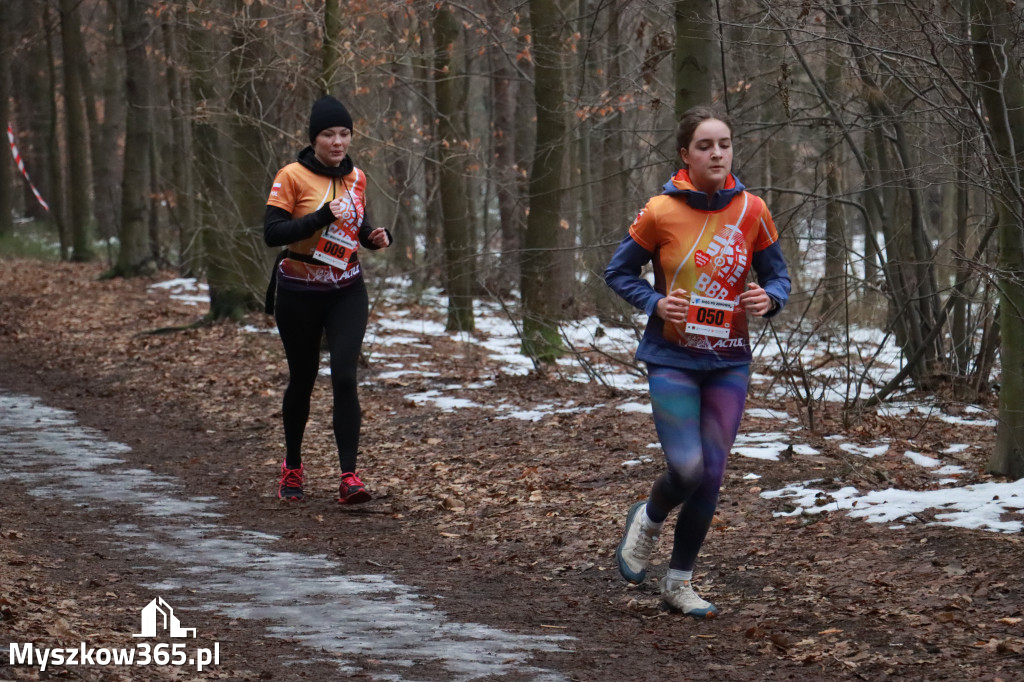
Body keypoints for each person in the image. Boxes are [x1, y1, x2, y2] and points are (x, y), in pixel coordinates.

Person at [604, 105, 790, 617]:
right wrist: (655, 302)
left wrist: (768, 298)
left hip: (730, 360)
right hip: (672, 357)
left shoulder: (753, 209)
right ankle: (649, 515)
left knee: (711, 475)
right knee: (686, 467)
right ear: (685, 154)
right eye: (705, 145)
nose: (717, 153)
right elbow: (618, 273)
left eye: (724, 144)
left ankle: (679, 581)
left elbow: (779, 277)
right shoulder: (660, 210)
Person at [263, 95, 391, 503]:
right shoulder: (292, 175)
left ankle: (349, 476)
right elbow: (273, 233)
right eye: (328, 134)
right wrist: (321, 216)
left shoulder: (357, 178)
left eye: (344, 134)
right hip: (299, 291)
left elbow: (355, 227)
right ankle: (293, 467)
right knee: (302, 379)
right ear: (314, 139)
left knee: (345, 377)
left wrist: (374, 238)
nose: (338, 142)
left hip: (346, 290)